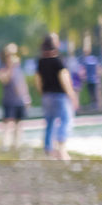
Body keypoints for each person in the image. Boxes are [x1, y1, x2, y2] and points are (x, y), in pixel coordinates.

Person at [35, 33, 78, 161]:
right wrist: (72, 94)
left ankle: (48, 149)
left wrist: (42, 92)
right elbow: (64, 78)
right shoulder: (58, 60)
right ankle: (62, 150)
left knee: (49, 122)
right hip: (60, 96)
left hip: (47, 95)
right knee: (65, 120)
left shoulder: (41, 61)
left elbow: (37, 79)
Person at [0, 43, 30, 150]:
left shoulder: (18, 68)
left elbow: (21, 83)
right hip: (8, 100)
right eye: (10, 54)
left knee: (19, 123)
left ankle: (17, 145)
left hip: (19, 100)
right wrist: (10, 67)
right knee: (7, 123)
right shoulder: (3, 68)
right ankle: (5, 145)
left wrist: (26, 96)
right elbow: (4, 79)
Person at [80, 38, 102, 111]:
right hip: (93, 79)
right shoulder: (93, 59)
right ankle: (97, 106)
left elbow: (83, 71)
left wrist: (83, 78)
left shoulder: (86, 60)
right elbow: (98, 68)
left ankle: (95, 106)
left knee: (93, 93)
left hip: (91, 79)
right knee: (95, 93)